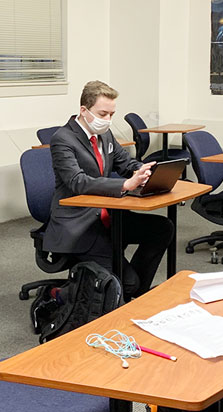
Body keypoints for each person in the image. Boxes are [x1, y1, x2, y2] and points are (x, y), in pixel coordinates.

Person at [44, 80, 174, 299]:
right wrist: (125, 185)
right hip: (80, 223)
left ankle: (129, 294)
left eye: (112, 114)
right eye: (103, 114)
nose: (108, 120)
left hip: (108, 216)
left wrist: (143, 171)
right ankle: (61, 294)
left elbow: (124, 163)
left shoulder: (105, 134)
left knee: (163, 228)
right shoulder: (62, 139)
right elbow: (77, 181)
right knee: (128, 284)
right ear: (83, 110)